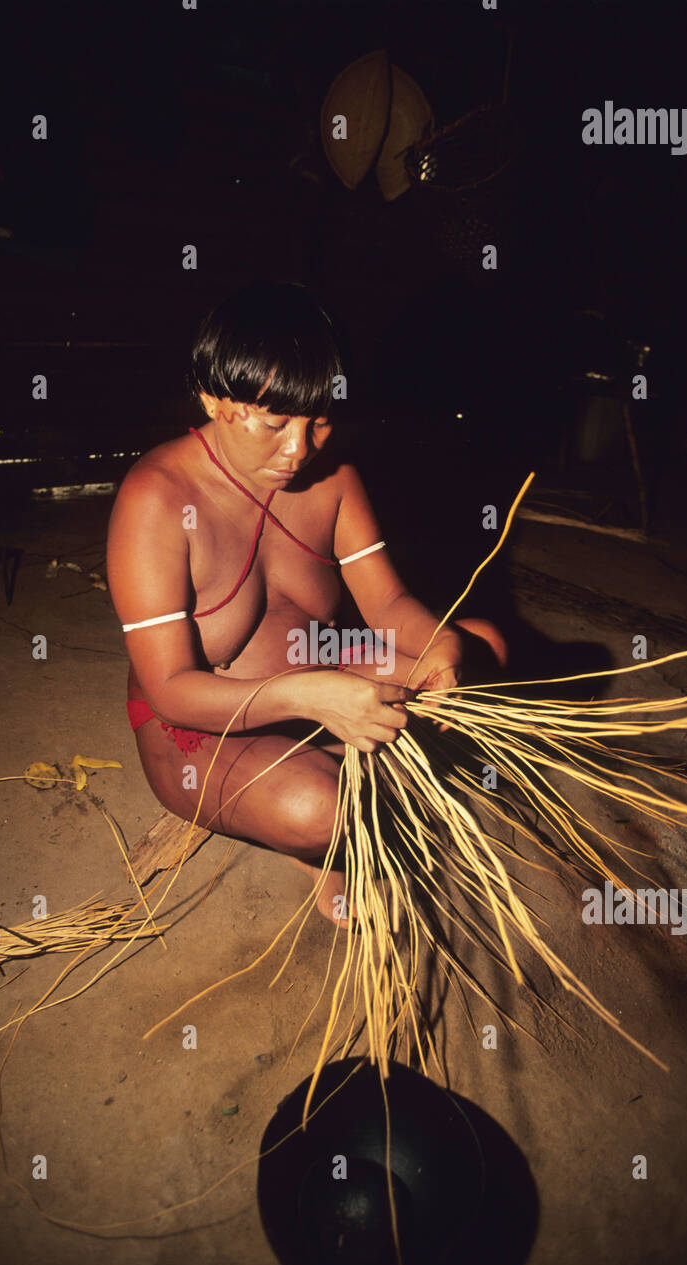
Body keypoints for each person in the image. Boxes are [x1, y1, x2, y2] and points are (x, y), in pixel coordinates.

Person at [106, 282, 507, 921]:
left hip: (316, 659)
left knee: (481, 646)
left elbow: (390, 603)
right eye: (274, 422)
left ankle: (352, 760)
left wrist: (440, 651)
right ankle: (327, 831)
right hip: (198, 717)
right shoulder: (156, 498)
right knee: (322, 810)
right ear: (212, 398)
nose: (299, 449)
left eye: (319, 418)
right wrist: (309, 696)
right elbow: (170, 690)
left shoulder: (336, 480)